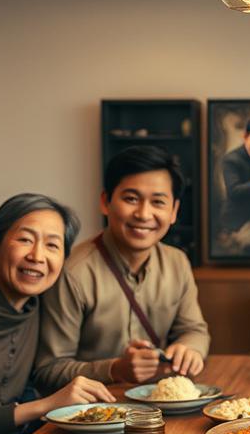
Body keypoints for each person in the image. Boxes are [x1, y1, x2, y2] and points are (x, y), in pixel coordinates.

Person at [0, 193, 115, 434]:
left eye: (52, 245)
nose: (37, 256)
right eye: (25, 239)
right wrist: (46, 405)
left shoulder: (41, 304)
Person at [36, 145, 210, 386]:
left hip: (158, 404)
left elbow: (195, 330)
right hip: (92, 414)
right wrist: (114, 369)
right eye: (131, 199)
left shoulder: (177, 262)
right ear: (106, 202)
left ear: (174, 211)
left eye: (158, 202)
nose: (143, 214)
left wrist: (189, 348)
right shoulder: (73, 272)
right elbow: (48, 370)